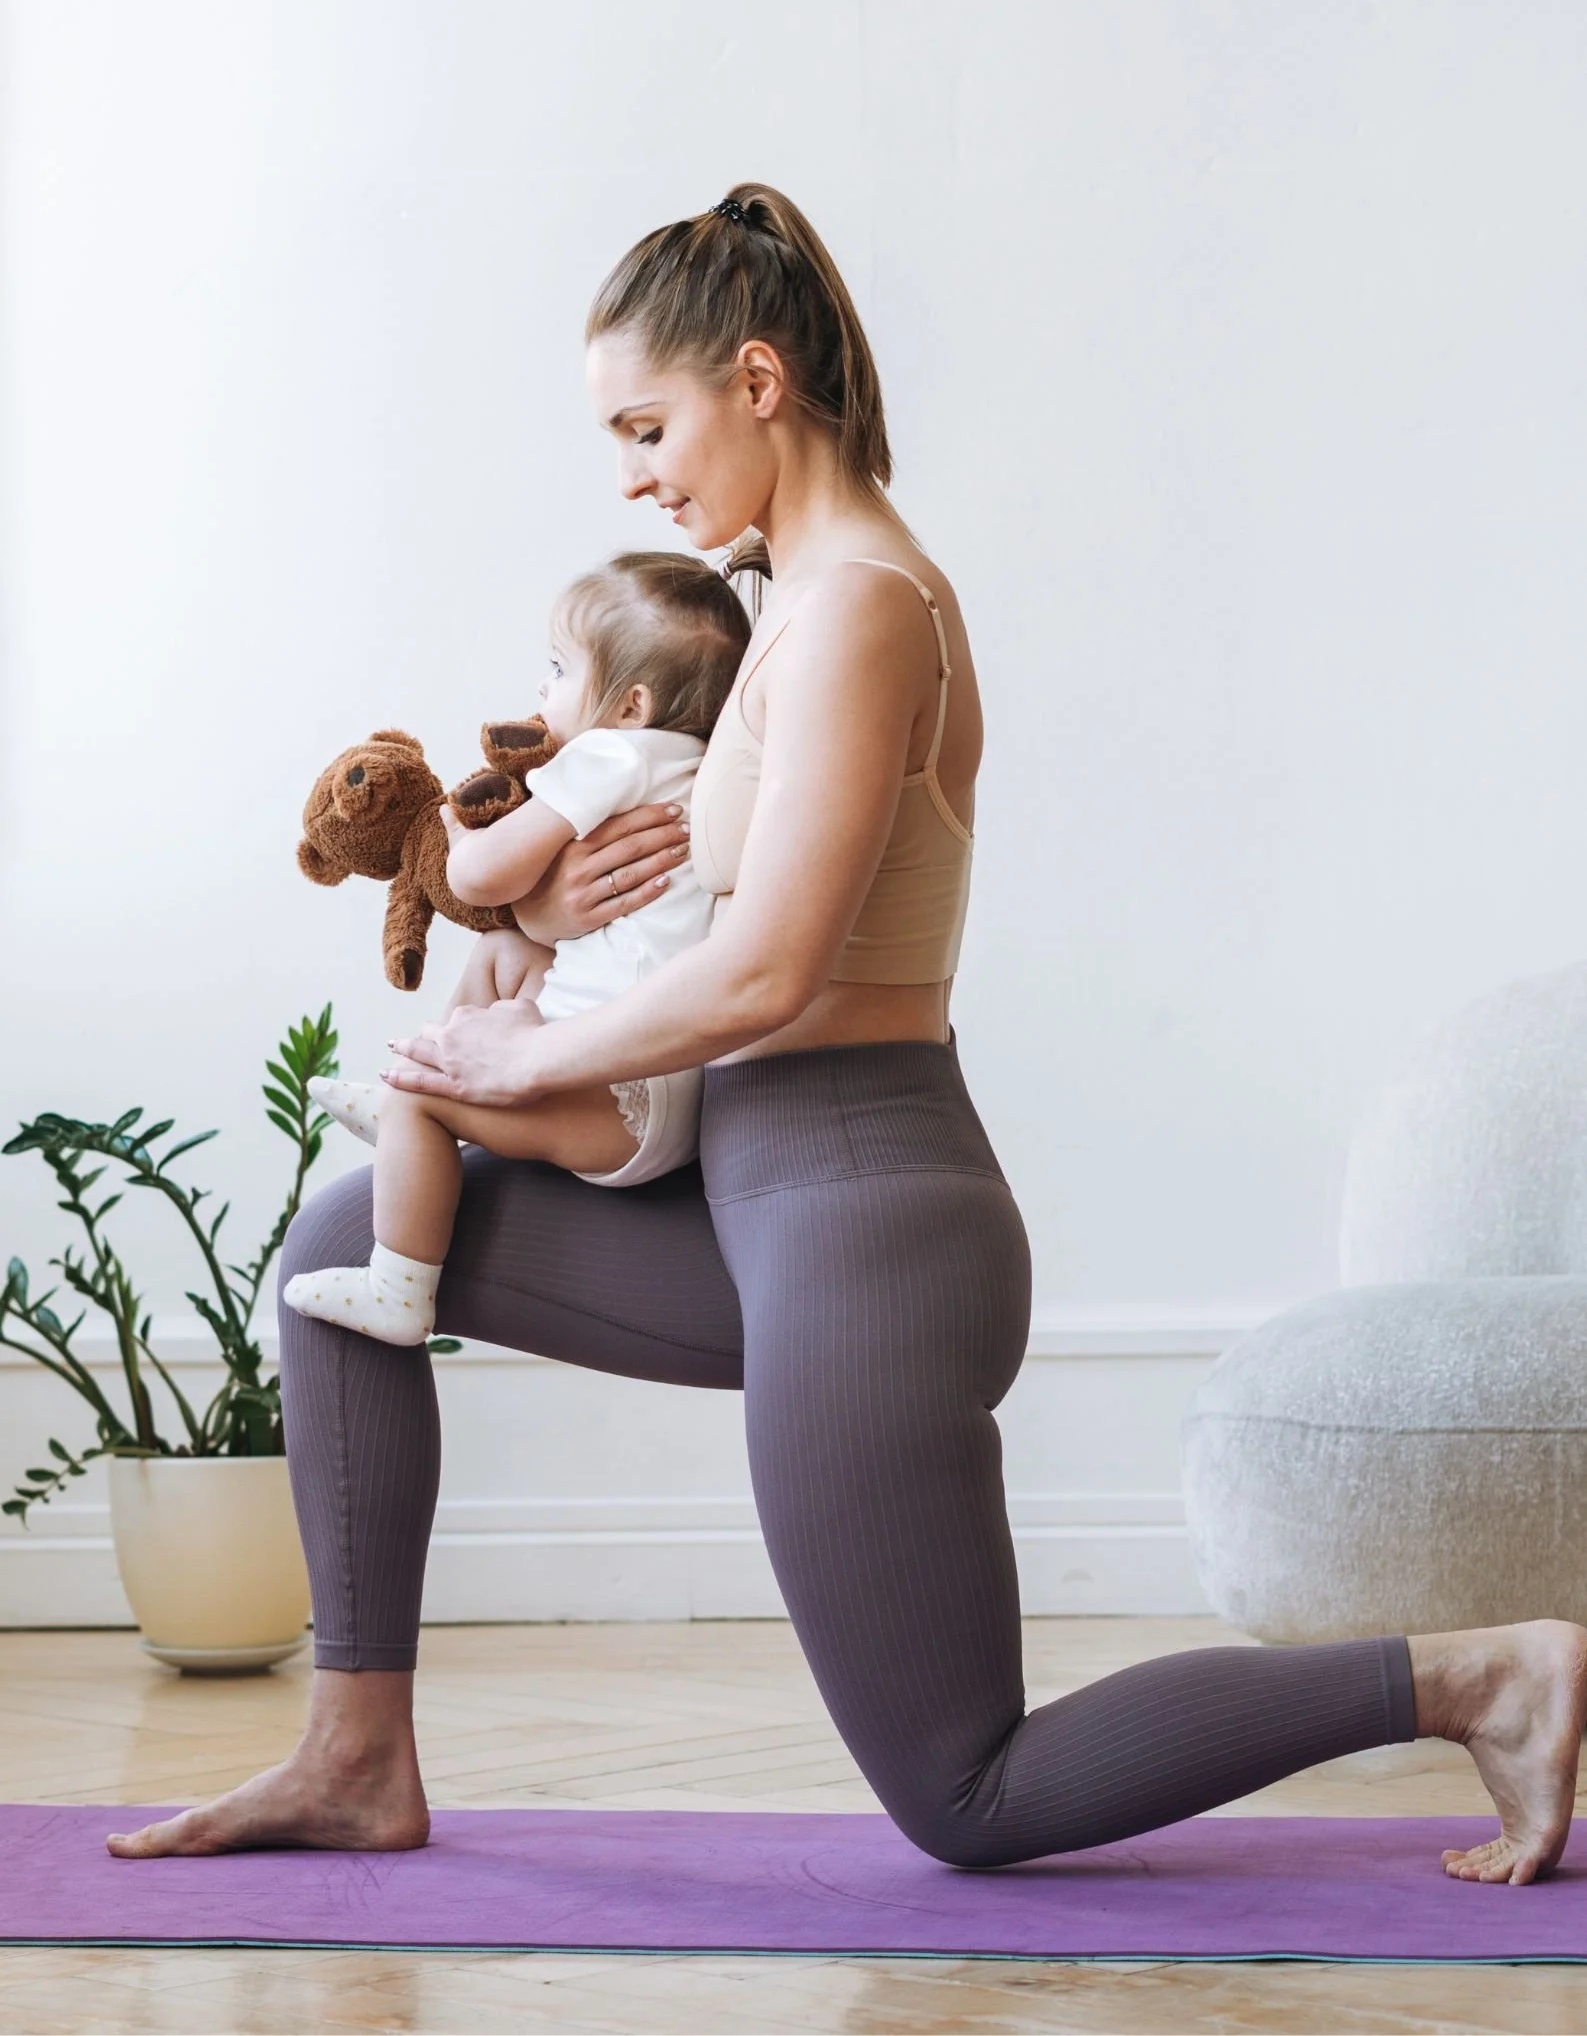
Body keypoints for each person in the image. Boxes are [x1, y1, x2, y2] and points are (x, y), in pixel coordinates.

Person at [109, 184, 1587, 1885]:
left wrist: (524, 1061)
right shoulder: (781, 602)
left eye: (644, 425)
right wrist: (547, 898)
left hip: (863, 1218)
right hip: (747, 1196)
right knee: (346, 1245)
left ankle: (1481, 1673)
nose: (632, 473)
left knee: (973, 1796)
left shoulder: (871, 600)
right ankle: (356, 1753)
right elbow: (690, 885)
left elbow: (770, 971)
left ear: (755, 382)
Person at [284, 551, 750, 1346]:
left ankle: (399, 1281)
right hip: (670, 1090)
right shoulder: (694, 763)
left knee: (428, 1102)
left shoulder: (608, 754)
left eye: (560, 666)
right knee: (505, 960)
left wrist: (457, 834)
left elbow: (481, 879)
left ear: (631, 703)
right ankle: (418, 1078)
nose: (544, 688)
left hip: (617, 1100)